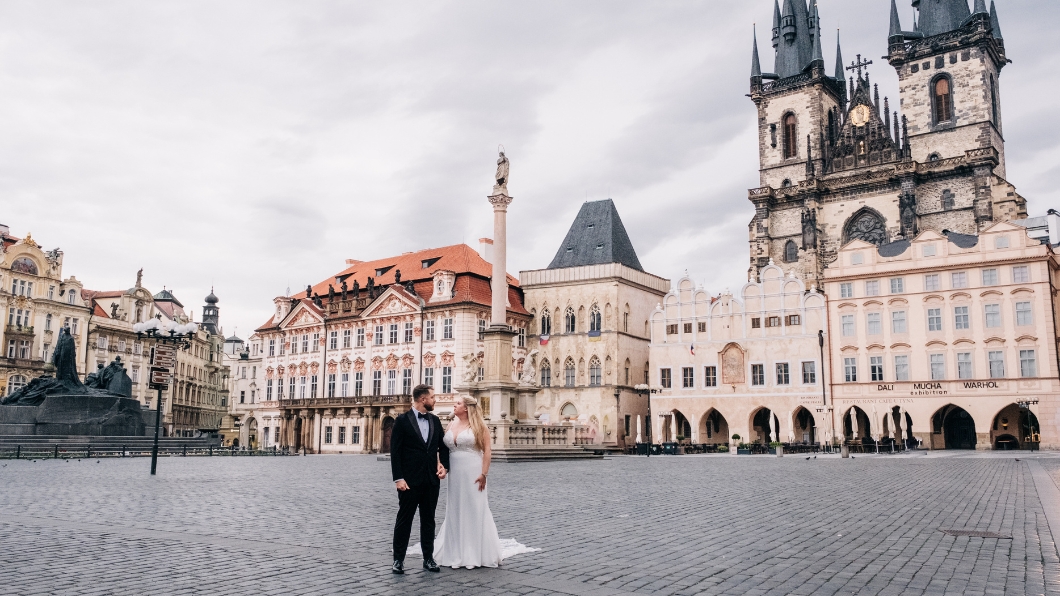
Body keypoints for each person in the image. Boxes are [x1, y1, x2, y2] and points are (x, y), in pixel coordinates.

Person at [433, 395, 503, 569]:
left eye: (457, 403)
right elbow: (443, 450)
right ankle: (455, 549)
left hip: (473, 470)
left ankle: (474, 551)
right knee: (455, 507)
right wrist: (441, 465)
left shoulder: (479, 426)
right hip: (455, 472)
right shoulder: (451, 424)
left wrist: (484, 473)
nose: (454, 405)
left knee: (474, 507)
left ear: (466, 408)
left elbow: (487, 451)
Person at [390, 384, 450, 574]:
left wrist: (444, 466)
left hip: (431, 480)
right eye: (432, 397)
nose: (435, 400)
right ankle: (398, 560)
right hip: (408, 481)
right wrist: (398, 478)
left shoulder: (435, 420)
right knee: (404, 520)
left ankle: (428, 558)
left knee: (428, 520)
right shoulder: (402, 421)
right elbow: (395, 452)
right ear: (423, 399)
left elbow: (443, 446)